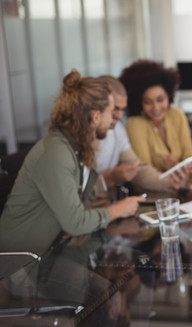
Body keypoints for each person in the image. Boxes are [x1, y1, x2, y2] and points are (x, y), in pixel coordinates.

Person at [0, 70, 143, 255]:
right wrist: (117, 210)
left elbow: (80, 208)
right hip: (20, 262)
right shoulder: (56, 153)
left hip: (52, 251)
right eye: (111, 111)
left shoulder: (79, 149)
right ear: (96, 116)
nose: (113, 120)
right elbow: (75, 222)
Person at [96, 75, 192, 193]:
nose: (119, 116)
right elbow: (75, 191)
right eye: (114, 109)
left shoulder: (118, 130)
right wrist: (108, 179)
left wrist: (171, 182)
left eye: (122, 110)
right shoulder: (77, 138)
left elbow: (138, 170)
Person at [119, 60, 192, 187]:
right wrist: (170, 170)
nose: (156, 108)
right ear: (139, 102)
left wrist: (180, 166)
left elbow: (191, 158)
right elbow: (143, 172)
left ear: (169, 96)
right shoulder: (135, 124)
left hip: (181, 185)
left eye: (161, 100)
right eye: (148, 102)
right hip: (154, 192)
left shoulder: (176, 115)